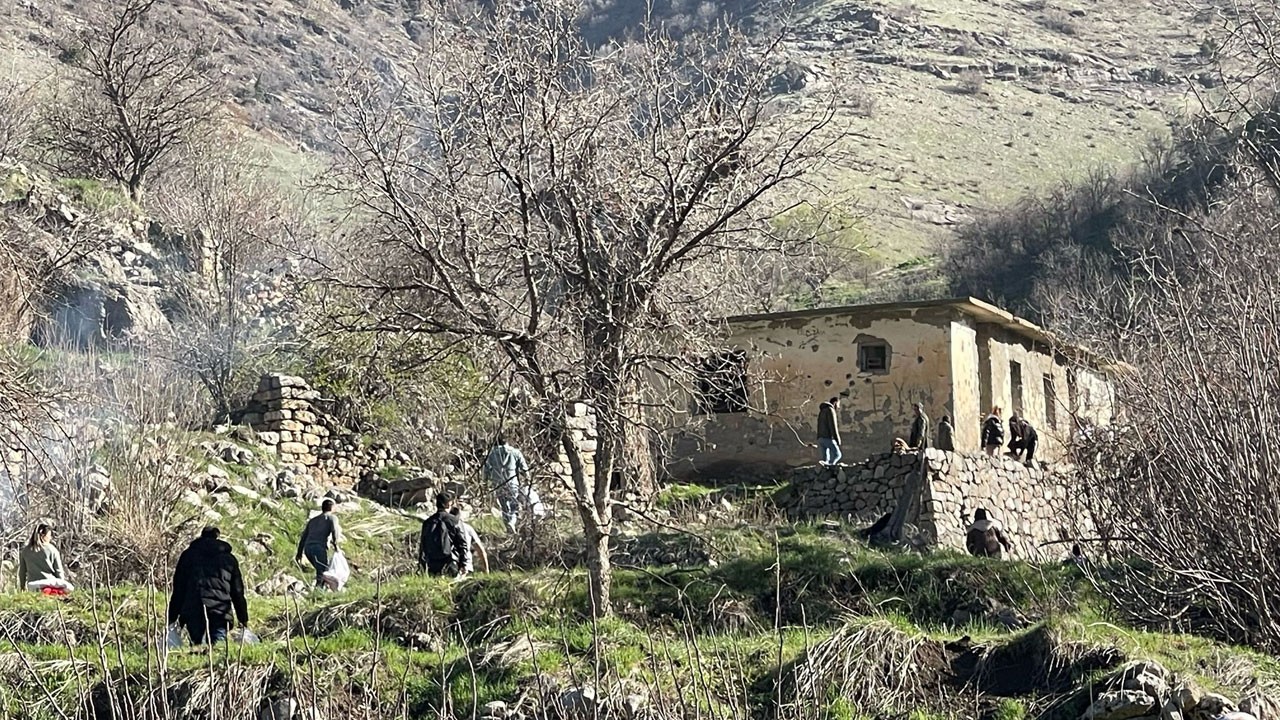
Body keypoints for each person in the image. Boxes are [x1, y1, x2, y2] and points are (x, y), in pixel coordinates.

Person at [168, 527, 249, 645]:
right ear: (217, 536)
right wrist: (243, 618)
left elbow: (179, 590)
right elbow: (237, 592)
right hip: (219, 611)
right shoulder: (228, 559)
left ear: (202, 536)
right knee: (218, 649)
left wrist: (172, 617)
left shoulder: (188, 556)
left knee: (198, 647)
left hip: (193, 610)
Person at [484, 436, 531, 532]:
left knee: (504, 505)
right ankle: (512, 522)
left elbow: (486, 469)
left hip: (497, 482)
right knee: (514, 505)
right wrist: (528, 478)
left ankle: (508, 525)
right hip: (512, 481)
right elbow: (524, 467)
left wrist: (485, 481)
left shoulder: (491, 453)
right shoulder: (515, 452)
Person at [295, 499, 342, 589]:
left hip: (308, 548)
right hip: (319, 548)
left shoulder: (313, 520)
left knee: (321, 570)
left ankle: (320, 589)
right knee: (323, 572)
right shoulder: (332, 518)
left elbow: (303, 537)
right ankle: (318, 592)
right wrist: (336, 546)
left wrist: (299, 553)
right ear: (332, 507)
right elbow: (335, 531)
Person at [419, 492, 468, 577]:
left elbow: (423, 546)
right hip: (450, 562)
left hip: (432, 564)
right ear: (448, 504)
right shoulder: (454, 521)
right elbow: (462, 543)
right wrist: (463, 563)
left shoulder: (427, 522)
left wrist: (422, 565)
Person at [18, 524, 66, 589]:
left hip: (33, 586)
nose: (50, 538)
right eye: (49, 535)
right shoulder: (52, 550)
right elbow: (59, 571)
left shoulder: (25, 551)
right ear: (44, 536)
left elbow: (22, 572)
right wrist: (61, 587)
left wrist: (22, 587)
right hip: (50, 585)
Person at [450, 506, 489, 575]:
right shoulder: (467, 528)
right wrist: (486, 569)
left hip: (450, 566)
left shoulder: (443, 528)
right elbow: (480, 550)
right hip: (466, 566)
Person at [817, 396, 842, 466]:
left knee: (825, 460)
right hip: (827, 437)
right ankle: (831, 467)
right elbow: (833, 426)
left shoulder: (822, 411)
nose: (839, 407)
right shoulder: (830, 410)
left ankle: (823, 473)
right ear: (835, 403)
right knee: (837, 455)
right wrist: (837, 439)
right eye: (838, 404)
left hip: (820, 438)